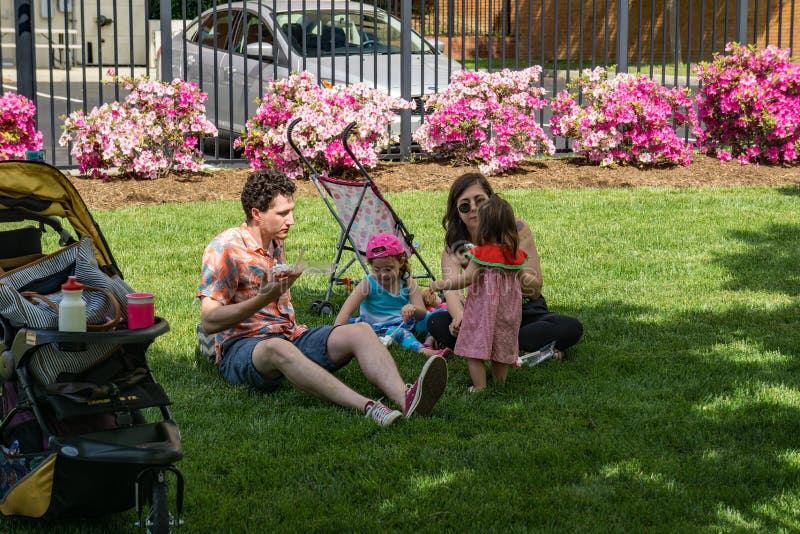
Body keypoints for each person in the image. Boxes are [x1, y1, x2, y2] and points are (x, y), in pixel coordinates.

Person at [197, 170, 447, 427]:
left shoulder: (274, 241)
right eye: (282, 214)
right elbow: (210, 320)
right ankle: (369, 407)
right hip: (243, 347)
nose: (291, 220)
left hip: (289, 334)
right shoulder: (225, 248)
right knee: (277, 347)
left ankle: (407, 400)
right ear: (256, 213)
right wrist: (265, 298)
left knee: (360, 330)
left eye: (291, 211)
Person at [427, 172, 583, 359]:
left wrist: (512, 267)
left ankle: (495, 346)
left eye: (480, 201)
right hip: (482, 315)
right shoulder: (455, 245)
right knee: (437, 321)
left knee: (570, 327)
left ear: (492, 202)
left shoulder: (516, 229)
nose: (474, 209)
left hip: (524, 311)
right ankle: (519, 348)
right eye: (465, 206)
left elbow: (534, 289)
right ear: (457, 212)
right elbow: (453, 291)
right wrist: (460, 317)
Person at [430, 196, 527, 391]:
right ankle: (500, 384)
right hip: (508, 313)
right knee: (502, 345)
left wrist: (442, 283)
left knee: (474, 348)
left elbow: (466, 279)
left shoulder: (481, 255)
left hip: (483, 311)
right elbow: (523, 280)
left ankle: (479, 386)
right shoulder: (515, 255)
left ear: (484, 228)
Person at [333, 233, 450, 358]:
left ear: (401, 261)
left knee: (438, 315)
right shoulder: (368, 283)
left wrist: (413, 309)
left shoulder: (408, 282)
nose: (383, 274)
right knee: (400, 333)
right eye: (377, 269)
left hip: (406, 321)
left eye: (388, 269)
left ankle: (430, 341)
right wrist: (334, 333)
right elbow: (345, 312)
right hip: (378, 325)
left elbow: (421, 314)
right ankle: (423, 350)